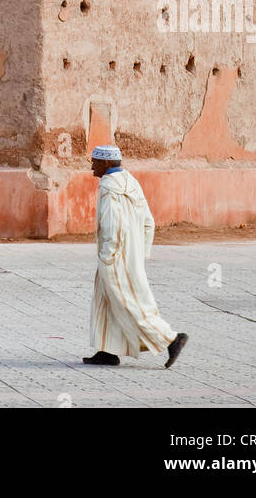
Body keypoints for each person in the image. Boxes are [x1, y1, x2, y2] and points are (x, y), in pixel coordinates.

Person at [84, 145, 188, 368]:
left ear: (105, 163)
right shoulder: (131, 182)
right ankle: (107, 350)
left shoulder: (109, 187)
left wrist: (108, 255)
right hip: (129, 254)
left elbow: (113, 225)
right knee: (107, 300)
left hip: (114, 256)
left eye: (94, 162)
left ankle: (170, 338)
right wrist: (140, 254)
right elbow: (148, 221)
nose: (91, 166)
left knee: (128, 301)